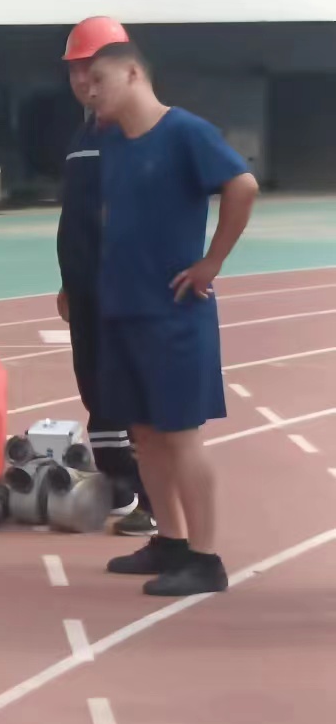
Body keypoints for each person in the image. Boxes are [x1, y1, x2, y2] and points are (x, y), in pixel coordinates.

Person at [86, 41, 258, 596]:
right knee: (144, 434)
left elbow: (243, 185)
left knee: (181, 435)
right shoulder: (113, 141)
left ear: (134, 73)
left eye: (99, 80)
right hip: (124, 307)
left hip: (173, 312)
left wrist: (212, 262)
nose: (90, 92)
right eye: (85, 82)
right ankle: (171, 540)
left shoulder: (185, 132)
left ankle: (206, 559)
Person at [57, 18, 157, 539]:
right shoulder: (84, 134)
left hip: (125, 291)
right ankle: (121, 484)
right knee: (96, 390)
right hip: (85, 291)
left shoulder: (137, 132)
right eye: (75, 70)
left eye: (92, 69)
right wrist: (68, 282)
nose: (83, 81)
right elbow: (75, 218)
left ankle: (153, 497)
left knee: (131, 397)